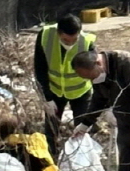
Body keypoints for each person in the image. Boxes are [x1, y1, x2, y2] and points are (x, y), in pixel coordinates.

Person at [33, 12, 98, 154]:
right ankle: (50, 159)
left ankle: (82, 161)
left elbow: (97, 73)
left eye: (74, 40)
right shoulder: (45, 37)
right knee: (50, 130)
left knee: (82, 130)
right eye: (66, 40)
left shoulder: (87, 42)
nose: (70, 44)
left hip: (80, 91)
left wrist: (106, 102)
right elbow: (40, 68)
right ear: (58, 33)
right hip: (54, 90)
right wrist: (47, 98)